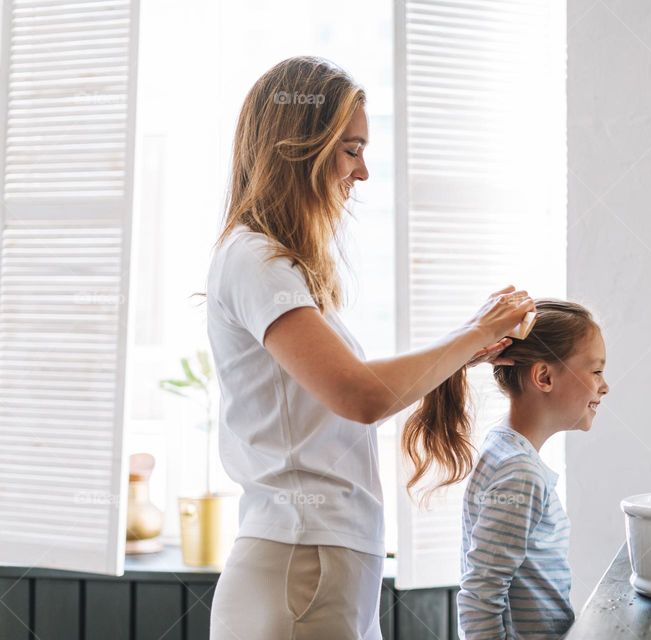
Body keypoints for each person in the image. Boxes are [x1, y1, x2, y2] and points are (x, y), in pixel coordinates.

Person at [206, 55, 534, 640]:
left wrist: (466, 345)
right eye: (351, 149)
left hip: (315, 564)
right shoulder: (256, 260)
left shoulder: (281, 268)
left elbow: (359, 385)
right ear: (298, 147)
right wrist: (476, 333)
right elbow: (357, 394)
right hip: (299, 564)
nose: (363, 173)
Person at [402, 299, 609, 639]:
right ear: (543, 376)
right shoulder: (519, 472)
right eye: (596, 370)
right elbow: (480, 596)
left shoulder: (504, 450)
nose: (604, 385)